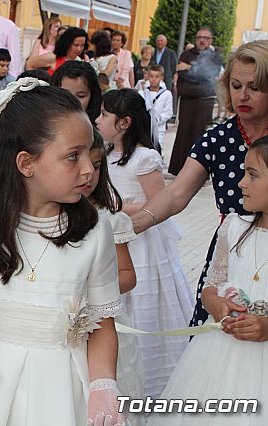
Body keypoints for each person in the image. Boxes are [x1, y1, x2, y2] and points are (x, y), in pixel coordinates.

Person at [0, 79, 126, 425]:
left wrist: (103, 386)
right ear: (26, 163)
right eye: (72, 156)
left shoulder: (94, 230)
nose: (88, 170)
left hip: (61, 387)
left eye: (90, 155)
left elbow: (102, 322)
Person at [128, 41, 268, 328]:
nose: (243, 94)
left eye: (254, 87)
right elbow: (177, 193)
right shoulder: (216, 139)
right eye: (236, 85)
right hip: (232, 256)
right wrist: (133, 224)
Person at [148, 136, 268, 426]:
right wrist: (216, 303)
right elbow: (212, 285)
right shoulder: (234, 227)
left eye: (252, 175)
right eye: (243, 172)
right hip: (216, 354)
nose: (241, 182)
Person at [96, 89, 193, 400]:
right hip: (110, 238)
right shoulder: (105, 153)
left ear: (124, 123)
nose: (97, 120)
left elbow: (157, 202)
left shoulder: (143, 158)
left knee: (142, 302)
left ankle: (151, 381)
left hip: (140, 242)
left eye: (103, 115)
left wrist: (117, 208)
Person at [81, 129, 144, 423]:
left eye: (96, 166)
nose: (89, 174)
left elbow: (128, 275)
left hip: (102, 323)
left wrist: (87, 288)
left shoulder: (111, 219)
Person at [168, 27, 224, 175]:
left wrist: (190, 68)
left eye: (206, 37)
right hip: (187, 100)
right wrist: (195, 72)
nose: (202, 40)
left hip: (205, 100)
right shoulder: (187, 54)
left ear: (210, 41)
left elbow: (210, 74)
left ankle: (198, 172)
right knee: (184, 133)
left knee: (200, 136)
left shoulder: (215, 56)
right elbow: (182, 73)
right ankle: (178, 168)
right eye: (199, 37)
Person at [140, 64, 173, 145]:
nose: (153, 79)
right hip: (143, 128)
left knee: (157, 150)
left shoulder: (167, 94)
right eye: (151, 76)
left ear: (161, 78)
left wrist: (157, 120)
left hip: (159, 129)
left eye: (156, 77)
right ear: (148, 76)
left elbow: (169, 112)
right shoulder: (141, 93)